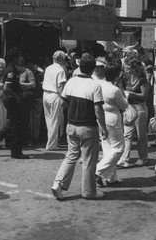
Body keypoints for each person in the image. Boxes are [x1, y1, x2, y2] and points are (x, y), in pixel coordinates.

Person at [50, 53, 107, 201]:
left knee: (71, 156)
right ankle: (89, 191)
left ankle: (58, 183)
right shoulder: (95, 85)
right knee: (89, 160)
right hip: (88, 127)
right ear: (92, 69)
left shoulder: (71, 82)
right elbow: (98, 110)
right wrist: (104, 128)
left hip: (72, 125)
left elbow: (63, 103)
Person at [0, 47, 29, 159]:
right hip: (11, 100)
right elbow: (6, 88)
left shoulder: (12, 68)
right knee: (16, 124)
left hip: (10, 99)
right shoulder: (11, 71)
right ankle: (15, 151)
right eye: (19, 56)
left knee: (13, 124)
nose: (20, 58)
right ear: (15, 57)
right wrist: (16, 96)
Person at [94, 62, 129, 186]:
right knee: (119, 148)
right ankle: (99, 170)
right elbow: (124, 105)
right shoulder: (115, 90)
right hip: (112, 118)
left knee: (108, 147)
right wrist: (121, 88)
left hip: (101, 117)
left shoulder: (99, 85)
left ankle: (110, 177)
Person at [118, 57, 149, 168]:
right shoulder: (127, 77)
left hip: (140, 109)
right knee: (127, 134)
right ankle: (124, 158)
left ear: (134, 67)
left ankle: (143, 157)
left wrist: (130, 94)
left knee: (141, 135)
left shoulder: (142, 79)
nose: (126, 68)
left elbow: (144, 95)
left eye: (128, 66)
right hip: (129, 108)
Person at [42, 50, 67, 150]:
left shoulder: (48, 68)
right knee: (55, 121)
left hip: (46, 94)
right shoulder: (60, 70)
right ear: (61, 59)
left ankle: (52, 142)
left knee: (49, 120)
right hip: (55, 95)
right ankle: (51, 144)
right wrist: (64, 98)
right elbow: (61, 85)